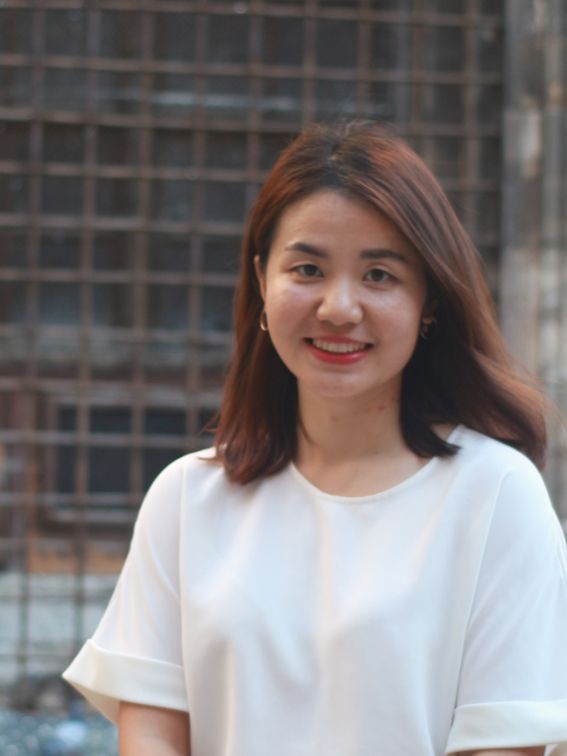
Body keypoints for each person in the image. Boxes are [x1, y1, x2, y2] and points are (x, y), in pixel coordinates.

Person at [63, 121, 567, 755]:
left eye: (379, 275)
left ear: (429, 301)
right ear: (262, 281)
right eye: (307, 269)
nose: (339, 308)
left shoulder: (496, 496)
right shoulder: (186, 499)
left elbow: (505, 743)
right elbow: (153, 734)